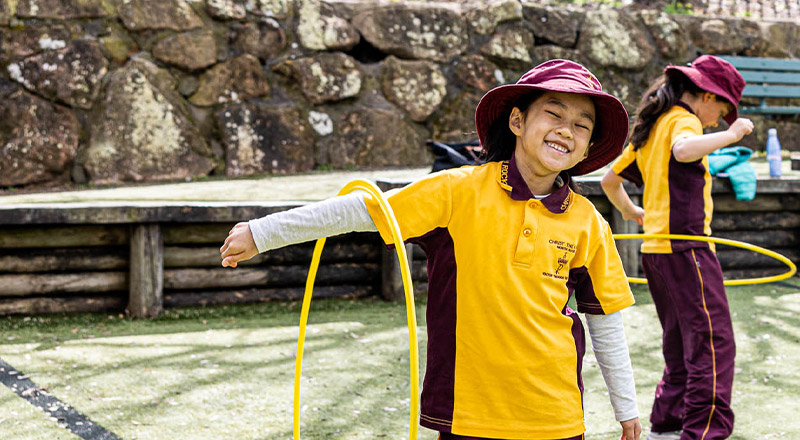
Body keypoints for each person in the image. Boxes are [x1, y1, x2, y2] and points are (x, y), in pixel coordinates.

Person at [221, 59, 642, 440]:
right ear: (517, 121)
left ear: (588, 148)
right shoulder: (457, 192)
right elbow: (365, 210)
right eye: (553, 112)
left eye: (582, 125)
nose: (566, 130)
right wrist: (263, 232)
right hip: (469, 413)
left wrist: (626, 407)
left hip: (556, 417)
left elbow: (604, 320)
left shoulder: (589, 222)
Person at [601, 55, 754, 440]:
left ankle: (668, 423)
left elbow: (609, 180)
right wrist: (734, 136)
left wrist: (631, 210)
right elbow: (686, 151)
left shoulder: (651, 129)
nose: (720, 118)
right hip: (687, 248)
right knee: (713, 344)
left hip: (656, 252)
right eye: (722, 107)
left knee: (679, 341)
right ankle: (704, 431)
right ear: (705, 95)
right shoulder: (683, 121)